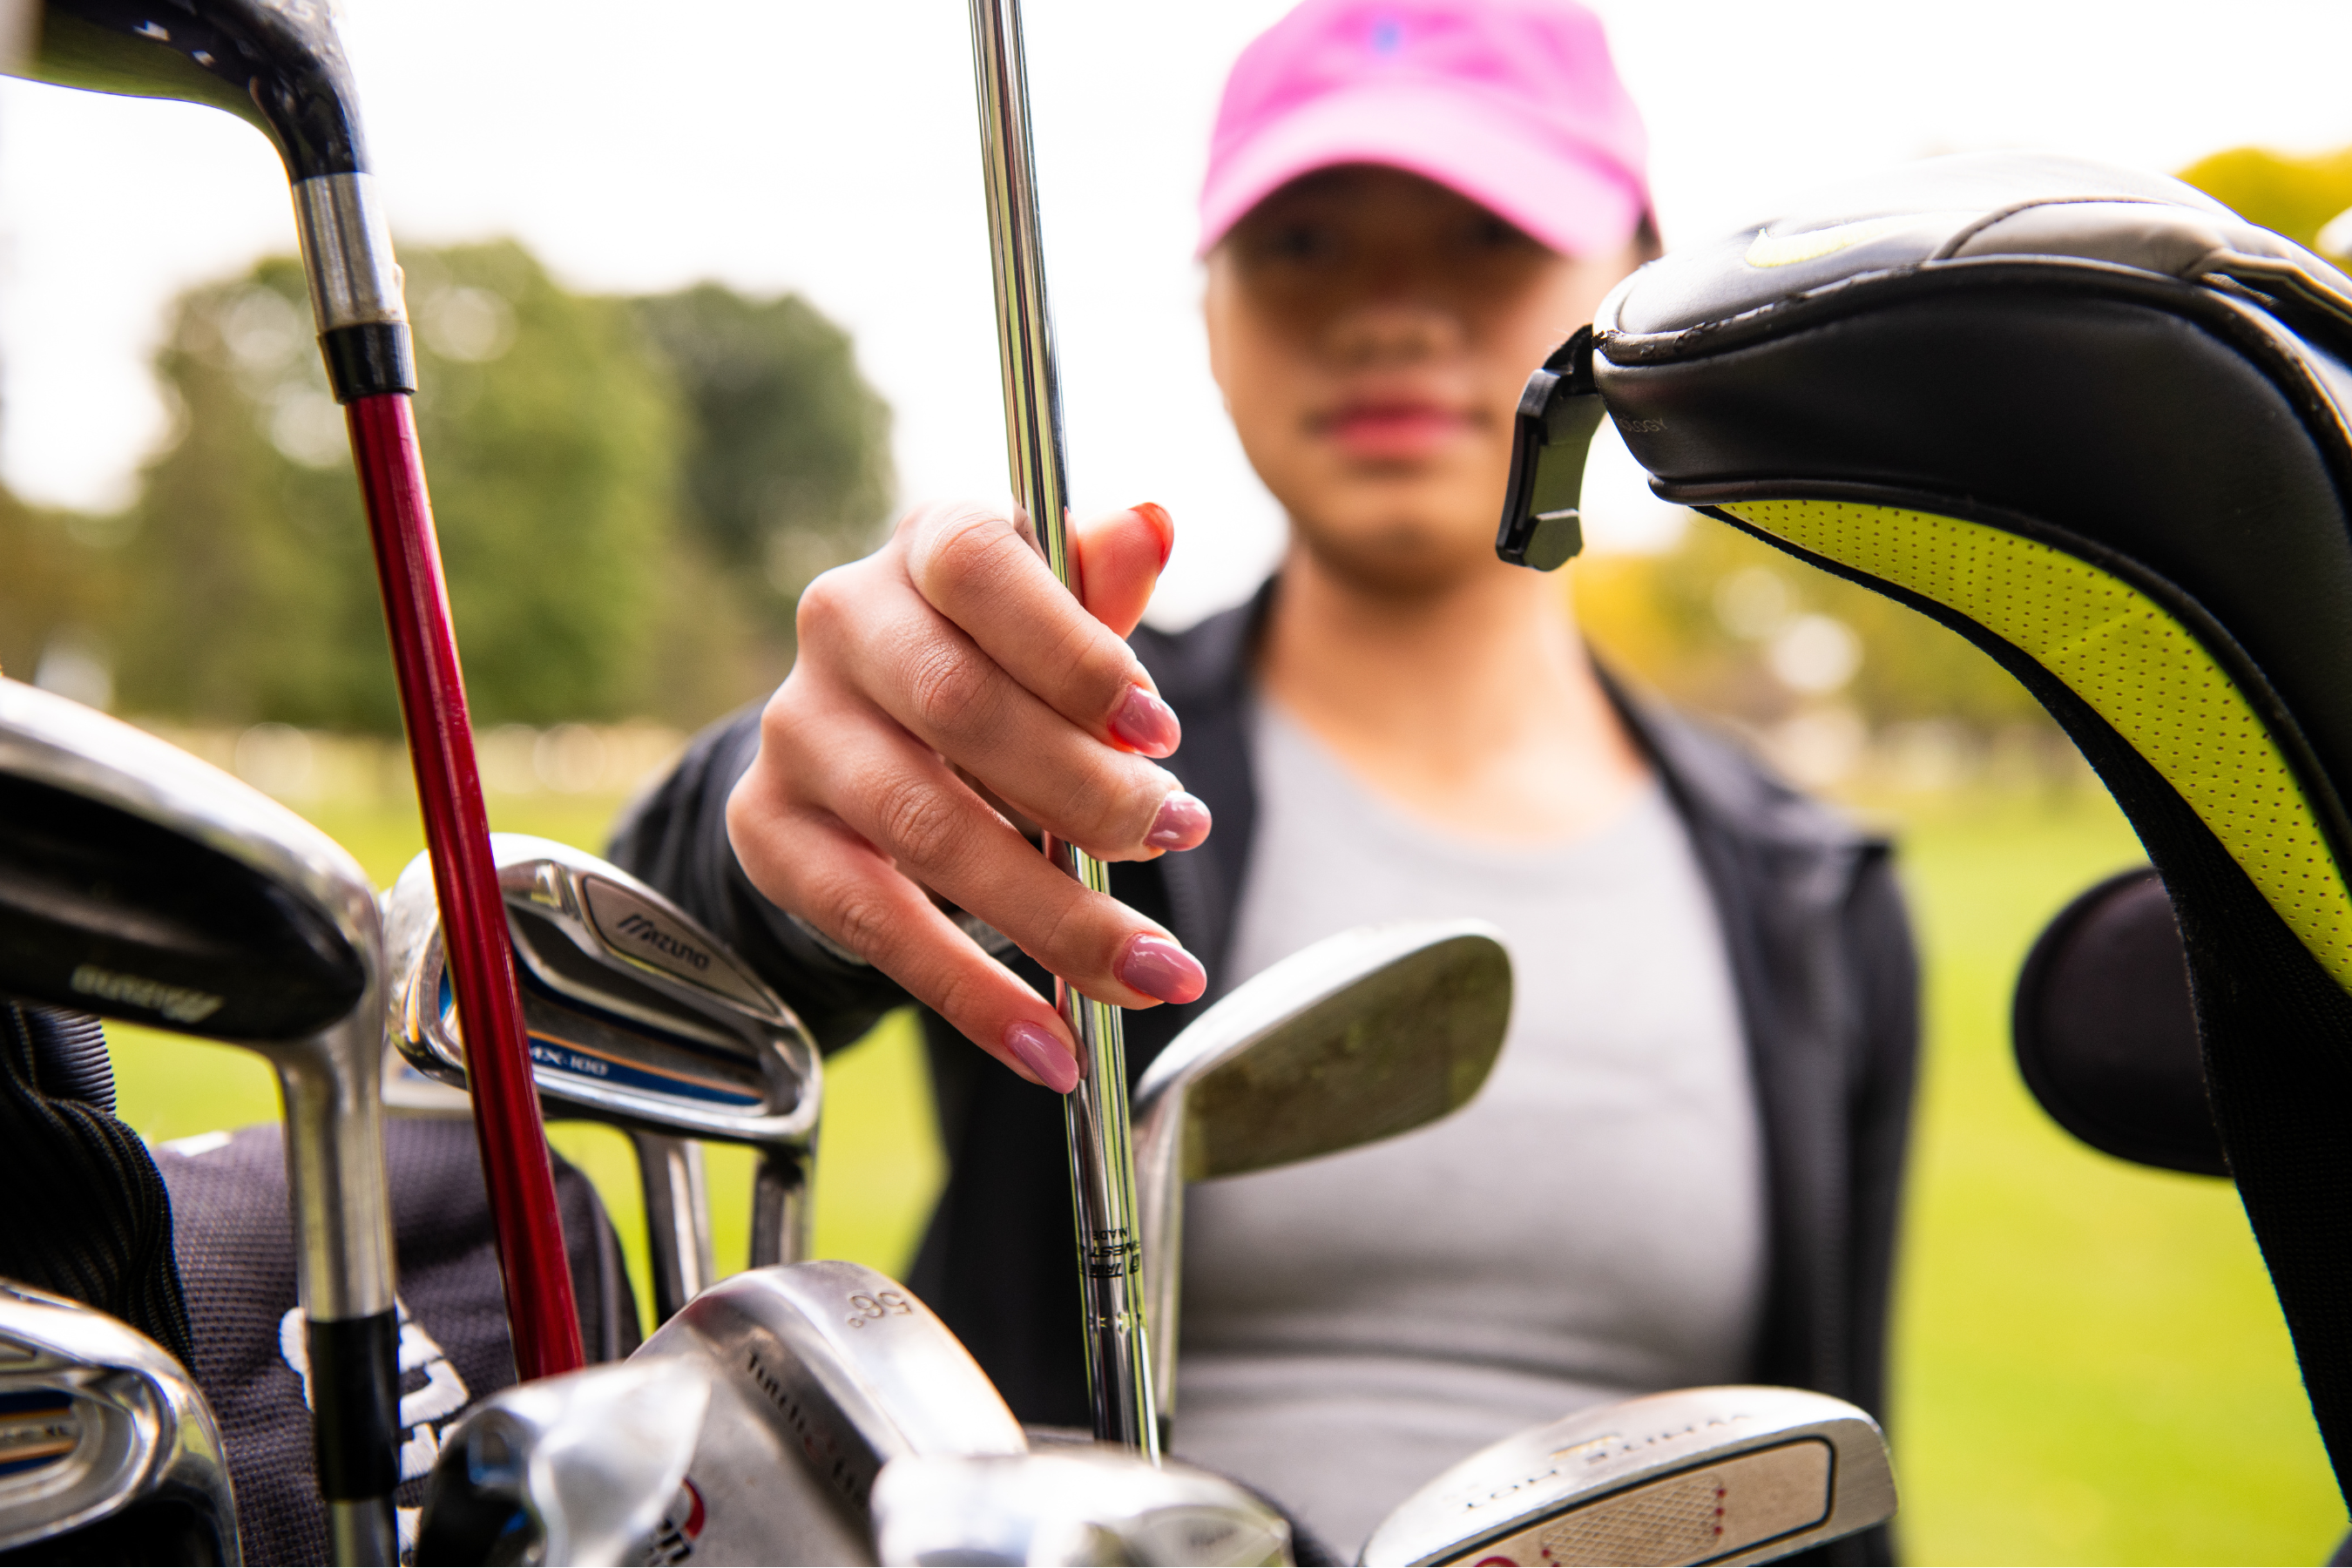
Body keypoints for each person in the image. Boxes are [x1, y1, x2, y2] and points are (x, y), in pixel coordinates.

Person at [610, 0, 1917, 1558]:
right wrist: (798, 813)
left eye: (1485, 233)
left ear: (1635, 280)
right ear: (1212, 305)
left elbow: (1829, 1474)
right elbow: (673, 953)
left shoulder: (1820, 897)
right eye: (1302, 244)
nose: (1386, 310)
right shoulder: (1066, 747)